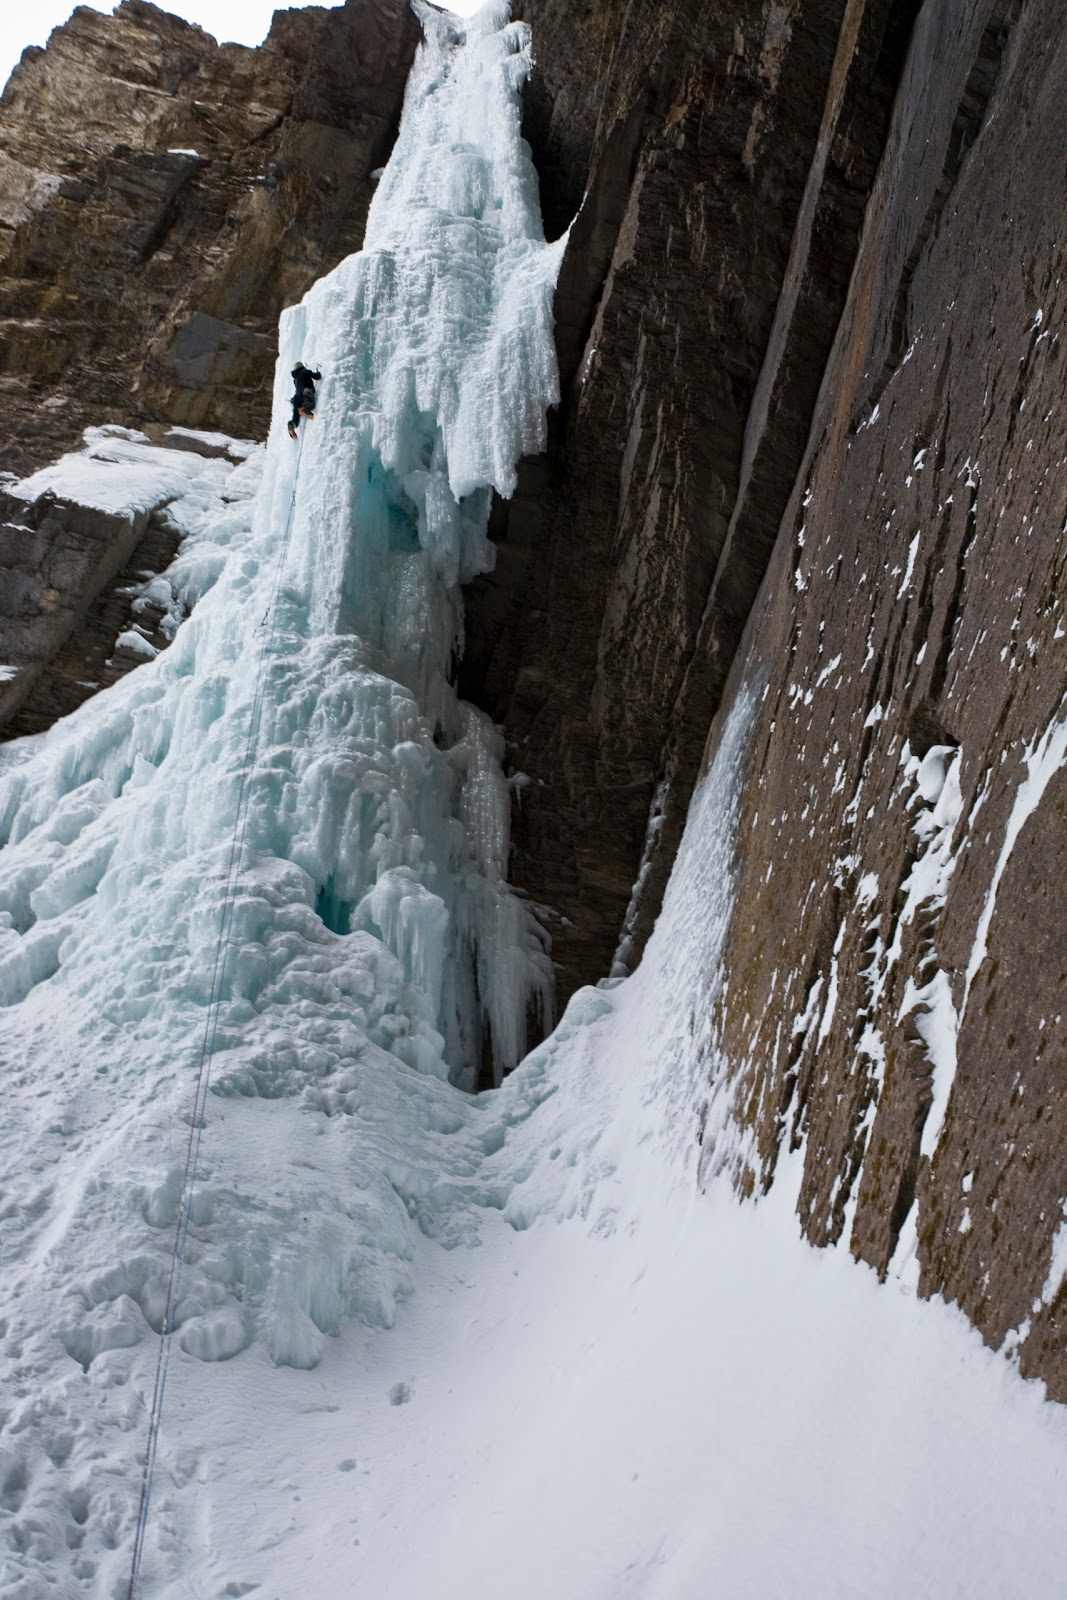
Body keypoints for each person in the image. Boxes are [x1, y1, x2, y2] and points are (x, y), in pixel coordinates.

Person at [288, 363, 321, 438]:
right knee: (311, 405)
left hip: (296, 398)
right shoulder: (306, 372)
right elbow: (317, 377)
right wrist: (318, 372)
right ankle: (305, 410)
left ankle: (292, 424)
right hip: (306, 393)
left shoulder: (295, 380)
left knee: (296, 413)